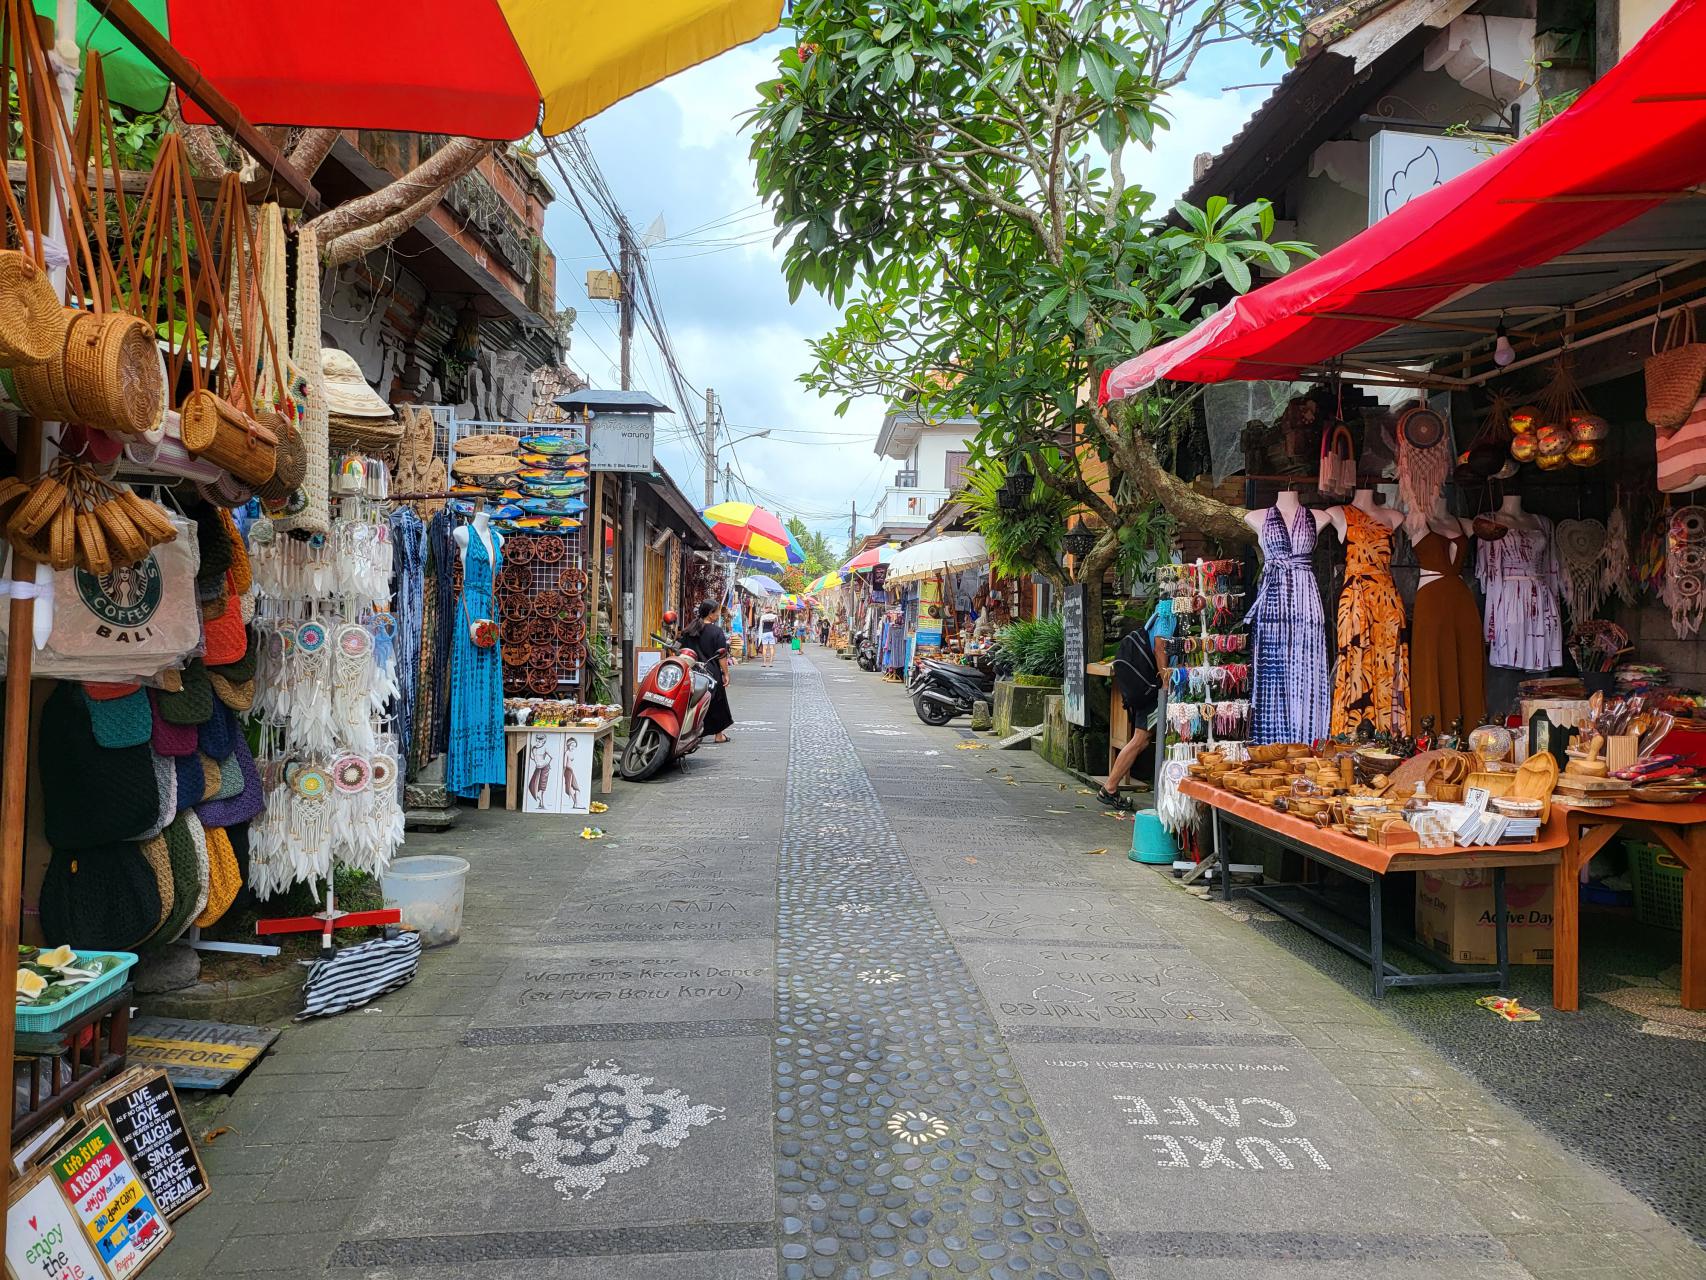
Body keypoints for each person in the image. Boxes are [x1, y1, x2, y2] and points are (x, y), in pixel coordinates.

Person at [1098, 625, 1160, 810]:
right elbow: (1159, 647)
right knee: (1140, 739)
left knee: (1141, 739)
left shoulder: (1156, 616)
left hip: (1144, 684)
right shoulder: (1167, 616)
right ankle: (1109, 787)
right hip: (1152, 687)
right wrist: (1165, 677)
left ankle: (1109, 787)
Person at [682, 601, 734, 743]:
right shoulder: (716, 632)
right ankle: (719, 735)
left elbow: (681, 649)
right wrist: (726, 673)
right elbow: (722, 656)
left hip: (692, 670)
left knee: (691, 701)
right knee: (717, 701)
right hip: (711, 672)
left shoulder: (689, 629)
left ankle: (689, 731)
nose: (718, 615)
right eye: (717, 612)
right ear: (711, 614)